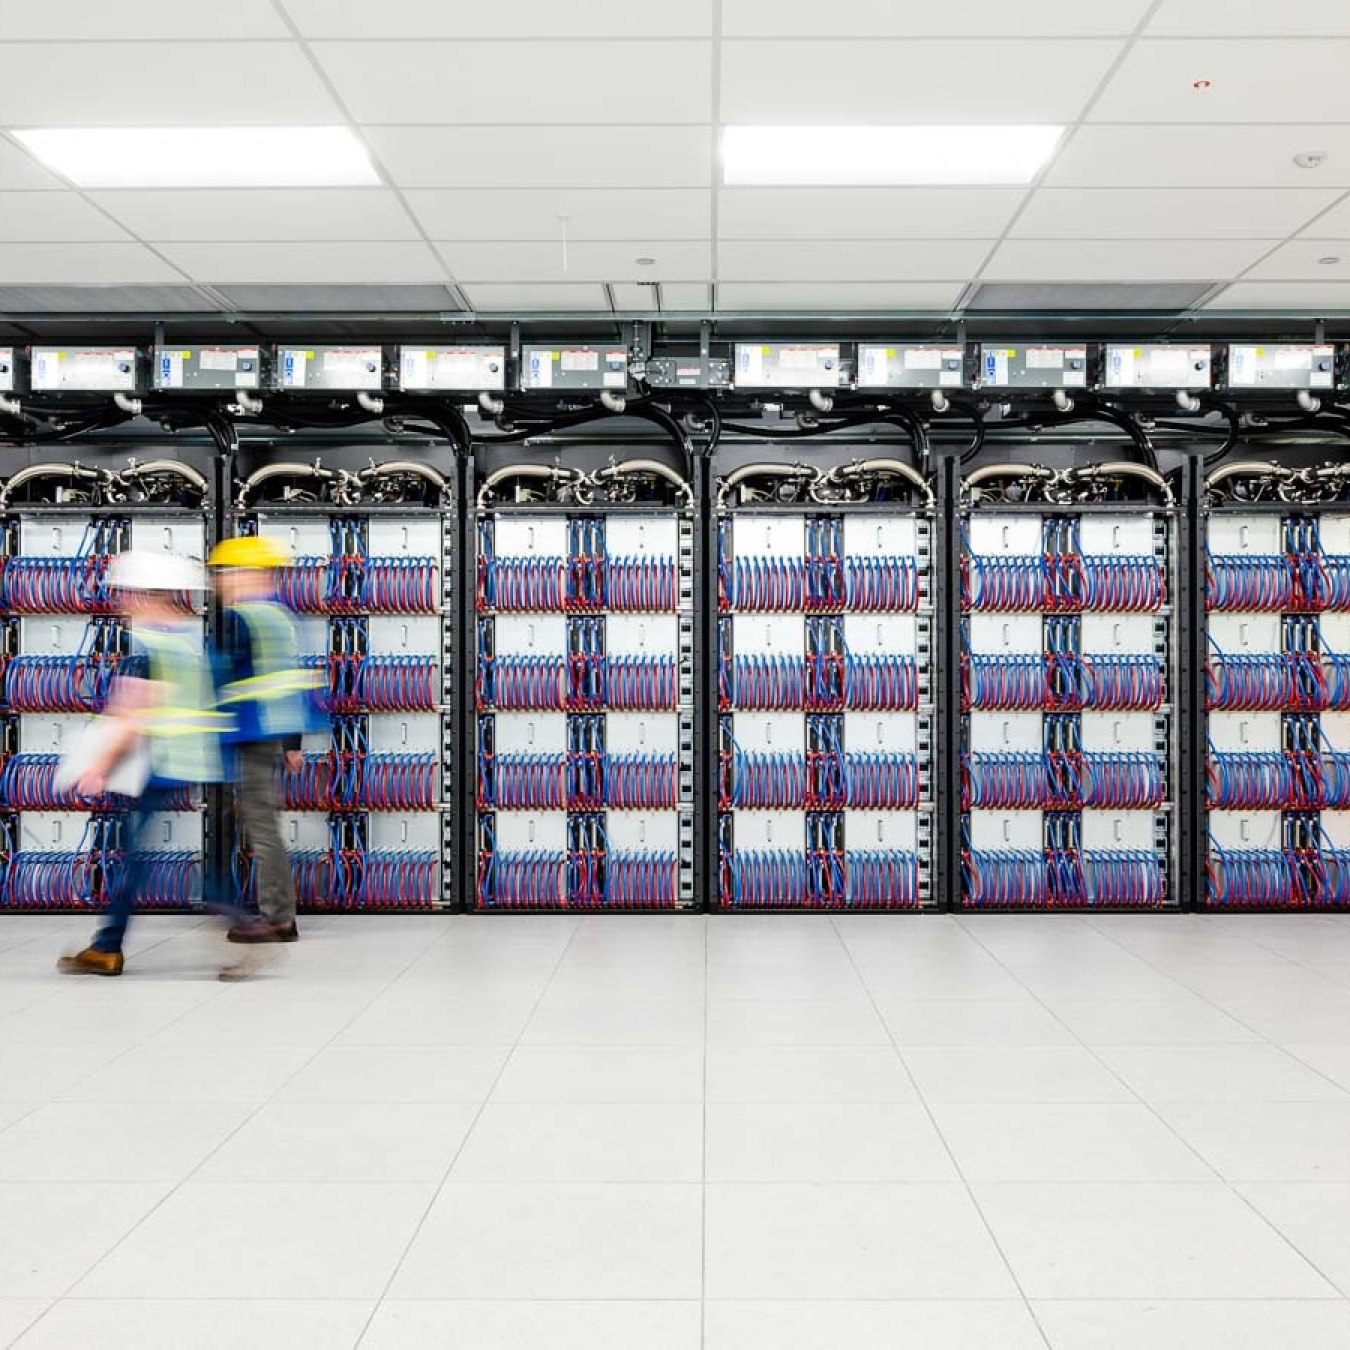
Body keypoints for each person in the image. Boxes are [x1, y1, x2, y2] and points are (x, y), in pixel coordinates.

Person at [59, 551, 226, 976]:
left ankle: (109, 946)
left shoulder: (149, 647)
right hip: (193, 756)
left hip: (163, 759)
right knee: (138, 854)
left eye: (126, 593)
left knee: (134, 856)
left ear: (142, 595)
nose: (121, 601)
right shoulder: (187, 639)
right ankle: (108, 943)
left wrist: (99, 766)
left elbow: (133, 717)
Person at [208, 536, 312, 944]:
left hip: (251, 733)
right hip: (272, 731)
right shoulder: (279, 615)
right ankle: (273, 911)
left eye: (225, 574)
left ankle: (278, 917)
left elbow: (223, 680)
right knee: (259, 823)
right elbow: (289, 678)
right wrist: (292, 743)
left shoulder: (243, 618)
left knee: (262, 828)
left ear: (247, 573)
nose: (221, 583)